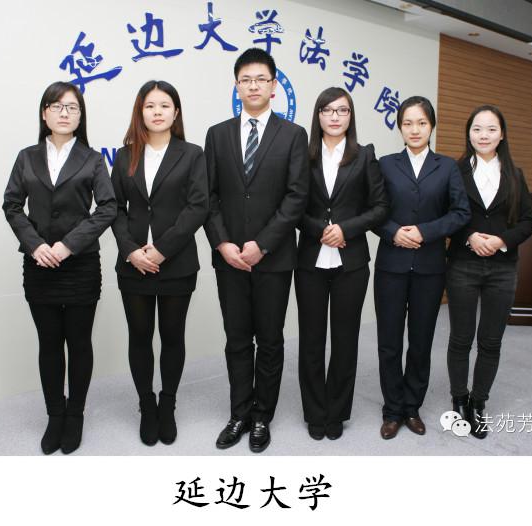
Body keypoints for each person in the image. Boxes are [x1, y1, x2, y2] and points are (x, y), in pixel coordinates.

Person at [2, 81, 117, 454]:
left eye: (72, 107)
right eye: (57, 106)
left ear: (81, 116)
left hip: (80, 264)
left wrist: (68, 245)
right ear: (44, 113)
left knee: (79, 342)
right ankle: (55, 414)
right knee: (49, 342)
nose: (64, 113)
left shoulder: (92, 159)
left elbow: (108, 207)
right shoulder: (27, 157)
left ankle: (76, 414)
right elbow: (12, 204)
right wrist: (36, 245)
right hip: (39, 264)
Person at [204, 48, 309, 453]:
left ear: (274, 86)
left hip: (274, 258)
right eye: (246, 79)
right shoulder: (217, 134)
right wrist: (223, 243)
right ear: (236, 86)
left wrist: (262, 244)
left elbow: (296, 197)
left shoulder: (293, 135)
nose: (253, 86)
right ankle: (239, 414)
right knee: (236, 340)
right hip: (229, 258)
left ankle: (263, 415)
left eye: (261, 79)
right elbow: (208, 196)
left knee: (269, 340)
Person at [110, 80, 208, 446]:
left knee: (172, 335)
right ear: (140, 111)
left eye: (164, 105)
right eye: (150, 105)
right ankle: (146, 405)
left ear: (175, 112)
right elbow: (114, 208)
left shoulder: (192, 154)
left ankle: (167, 404)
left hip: (176, 263)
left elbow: (198, 206)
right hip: (133, 264)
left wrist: (162, 250)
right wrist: (131, 250)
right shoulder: (125, 156)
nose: (157, 112)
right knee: (139, 336)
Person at [373, 96, 470, 440]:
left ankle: (412, 406)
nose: (414, 129)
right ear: (399, 127)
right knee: (388, 342)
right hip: (391, 266)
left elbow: (460, 213)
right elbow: (373, 210)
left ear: (432, 126)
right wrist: (394, 232)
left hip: (430, 267)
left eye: (422, 123)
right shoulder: (385, 164)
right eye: (408, 123)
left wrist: (425, 232)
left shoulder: (447, 167)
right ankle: (392, 410)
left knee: (420, 341)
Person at [295, 87, 388, 440]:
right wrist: (320, 230)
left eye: (342, 110)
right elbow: (292, 206)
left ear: (351, 116)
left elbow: (380, 208)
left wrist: (344, 229)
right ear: (318, 115)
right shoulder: (303, 156)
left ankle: (336, 412)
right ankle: (314, 412)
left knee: (345, 340)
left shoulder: (365, 156)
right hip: (310, 261)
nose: (335, 117)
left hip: (352, 263)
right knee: (311, 340)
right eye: (327, 110)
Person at [446, 105, 532, 439]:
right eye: (477, 129)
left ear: (502, 134)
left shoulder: (515, 174)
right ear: (468, 133)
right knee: (460, 338)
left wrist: (502, 240)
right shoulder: (454, 171)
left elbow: (528, 221)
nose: (483, 135)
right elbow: (445, 214)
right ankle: (459, 399)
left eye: (491, 129)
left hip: (502, 268)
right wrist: (469, 236)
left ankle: (478, 401)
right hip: (463, 264)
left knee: (491, 340)